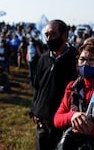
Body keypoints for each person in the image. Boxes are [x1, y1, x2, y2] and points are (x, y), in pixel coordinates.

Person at [30, 19, 78, 150]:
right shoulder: (43, 59)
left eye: (53, 34)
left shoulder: (75, 59)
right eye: (46, 35)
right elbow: (37, 87)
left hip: (62, 124)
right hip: (42, 123)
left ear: (65, 36)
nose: (49, 38)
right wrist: (34, 111)